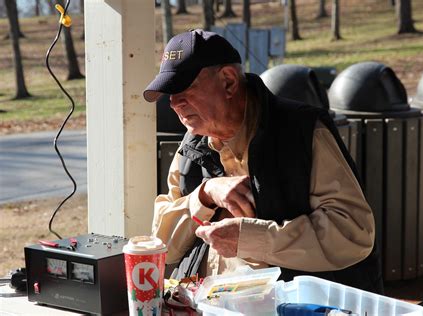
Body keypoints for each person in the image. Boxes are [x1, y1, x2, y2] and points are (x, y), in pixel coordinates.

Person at [143, 29, 383, 293]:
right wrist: (204, 195)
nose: (174, 103)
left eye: (185, 88)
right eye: (170, 93)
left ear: (228, 82)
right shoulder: (193, 143)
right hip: (209, 305)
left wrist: (252, 239)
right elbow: (162, 243)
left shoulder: (302, 131)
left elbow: (352, 232)